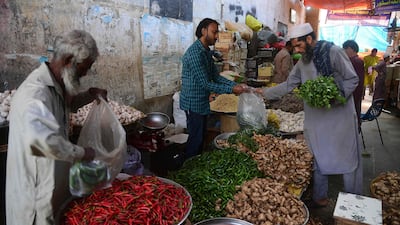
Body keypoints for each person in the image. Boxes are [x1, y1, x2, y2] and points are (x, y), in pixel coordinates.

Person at [256, 23, 363, 207]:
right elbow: (289, 85)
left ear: (309, 39)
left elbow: (352, 78)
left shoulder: (334, 52)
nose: (296, 50)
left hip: (339, 117)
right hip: (317, 119)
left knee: (346, 158)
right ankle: (319, 196)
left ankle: (354, 202)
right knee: (318, 157)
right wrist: (261, 93)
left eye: (298, 45)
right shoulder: (303, 62)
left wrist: (334, 97)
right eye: (294, 47)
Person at [6, 30, 107, 225]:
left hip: (52, 189)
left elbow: (65, 105)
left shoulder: (56, 85)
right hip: (34, 199)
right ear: (69, 60)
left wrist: (90, 94)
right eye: (84, 68)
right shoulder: (35, 95)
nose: (85, 73)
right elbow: (43, 143)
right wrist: (83, 152)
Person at [180, 18, 248, 159]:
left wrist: (234, 85)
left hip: (202, 101)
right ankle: (187, 168)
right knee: (196, 139)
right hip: (193, 103)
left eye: (217, 32)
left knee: (201, 137)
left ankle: (195, 163)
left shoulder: (206, 52)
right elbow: (205, 83)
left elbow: (216, 77)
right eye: (214, 32)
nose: (217, 36)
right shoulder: (195, 54)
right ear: (203, 31)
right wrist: (231, 90)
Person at [343, 40, 364, 131]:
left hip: (354, 93)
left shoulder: (356, 61)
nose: (344, 51)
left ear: (351, 49)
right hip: (353, 92)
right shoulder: (353, 60)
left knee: (353, 116)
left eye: (345, 49)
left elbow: (357, 81)